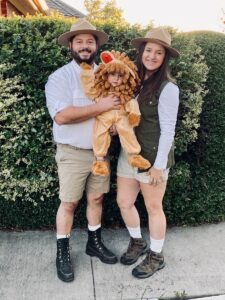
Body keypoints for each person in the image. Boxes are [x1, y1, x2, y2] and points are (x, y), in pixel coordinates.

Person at [45, 19, 121, 283]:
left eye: (90, 41)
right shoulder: (59, 78)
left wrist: (113, 124)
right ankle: (63, 251)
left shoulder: (108, 74)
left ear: (97, 45)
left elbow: (117, 108)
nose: (85, 46)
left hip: (100, 153)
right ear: (70, 45)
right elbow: (63, 116)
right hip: (73, 152)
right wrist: (100, 107)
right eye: (79, 41)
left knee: (97, 199)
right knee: (68, 203)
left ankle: (94, 243)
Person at [116, 27, 180, 279]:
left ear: (165, 58)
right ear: (141, 52)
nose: (152, 56)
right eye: (149, 50)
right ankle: (137, 242)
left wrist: (158, 165)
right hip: (129, 155)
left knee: (153, 208)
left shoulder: (168, 88)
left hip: (153, 158)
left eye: (159, 52)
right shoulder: (133, 80)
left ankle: (156, 255)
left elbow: (168, 130)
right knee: (123, 201)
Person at [80, 50, 150, 176]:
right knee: (99, 134)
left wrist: (134, 113)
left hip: (121, 117)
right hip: (103, 118)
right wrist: (86, 72)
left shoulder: (125, 94)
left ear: (126, 78)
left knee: (127, 131)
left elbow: (131, 102)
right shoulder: (101, 92)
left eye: (120, 76)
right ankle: (100, 160)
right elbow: (89, 89)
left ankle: (134, 155)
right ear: (105, 74)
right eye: (112, 74)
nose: (116, 79)